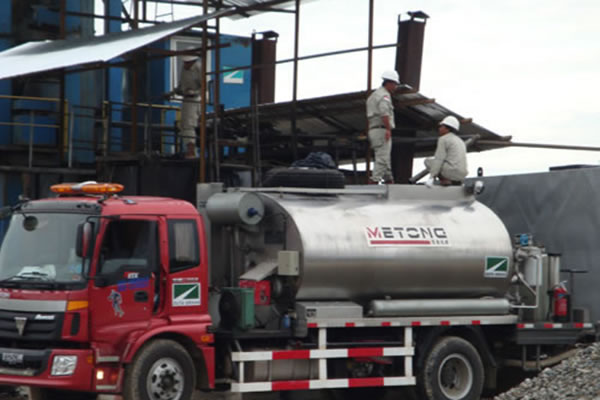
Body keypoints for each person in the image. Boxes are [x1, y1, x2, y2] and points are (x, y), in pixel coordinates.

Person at [366, 70, 400, 184]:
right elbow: (384, 113)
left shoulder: (374, 95)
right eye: (395, 84)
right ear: (389, 83)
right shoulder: (384, 96)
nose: (395, 87)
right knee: (382, 157)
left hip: (374, 129)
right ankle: (374, 180)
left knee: (385, 157)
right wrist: (388, 129)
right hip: (381, 129)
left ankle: (389, 180)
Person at [424, 115, 468, 187]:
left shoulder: (443, 139)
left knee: (427, 161)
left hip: (450, 172)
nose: (439, 128)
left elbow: (439, 159)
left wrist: (431, 177)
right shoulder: (460, 141)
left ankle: (445, 180)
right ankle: (456, 182)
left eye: (441, 126)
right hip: (462, 175)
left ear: (447, 128)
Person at [172, 55, 202, 158]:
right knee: (184, 124)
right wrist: (174, 92)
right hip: (186, 100)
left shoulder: (198, 68)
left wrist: (193, 92)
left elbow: (204, 87)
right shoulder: (184, 70)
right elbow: (181, 85)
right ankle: (189, 149)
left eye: (187, 63)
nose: (185, 65)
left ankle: (191, 151)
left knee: (189, 124)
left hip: (194, 101)